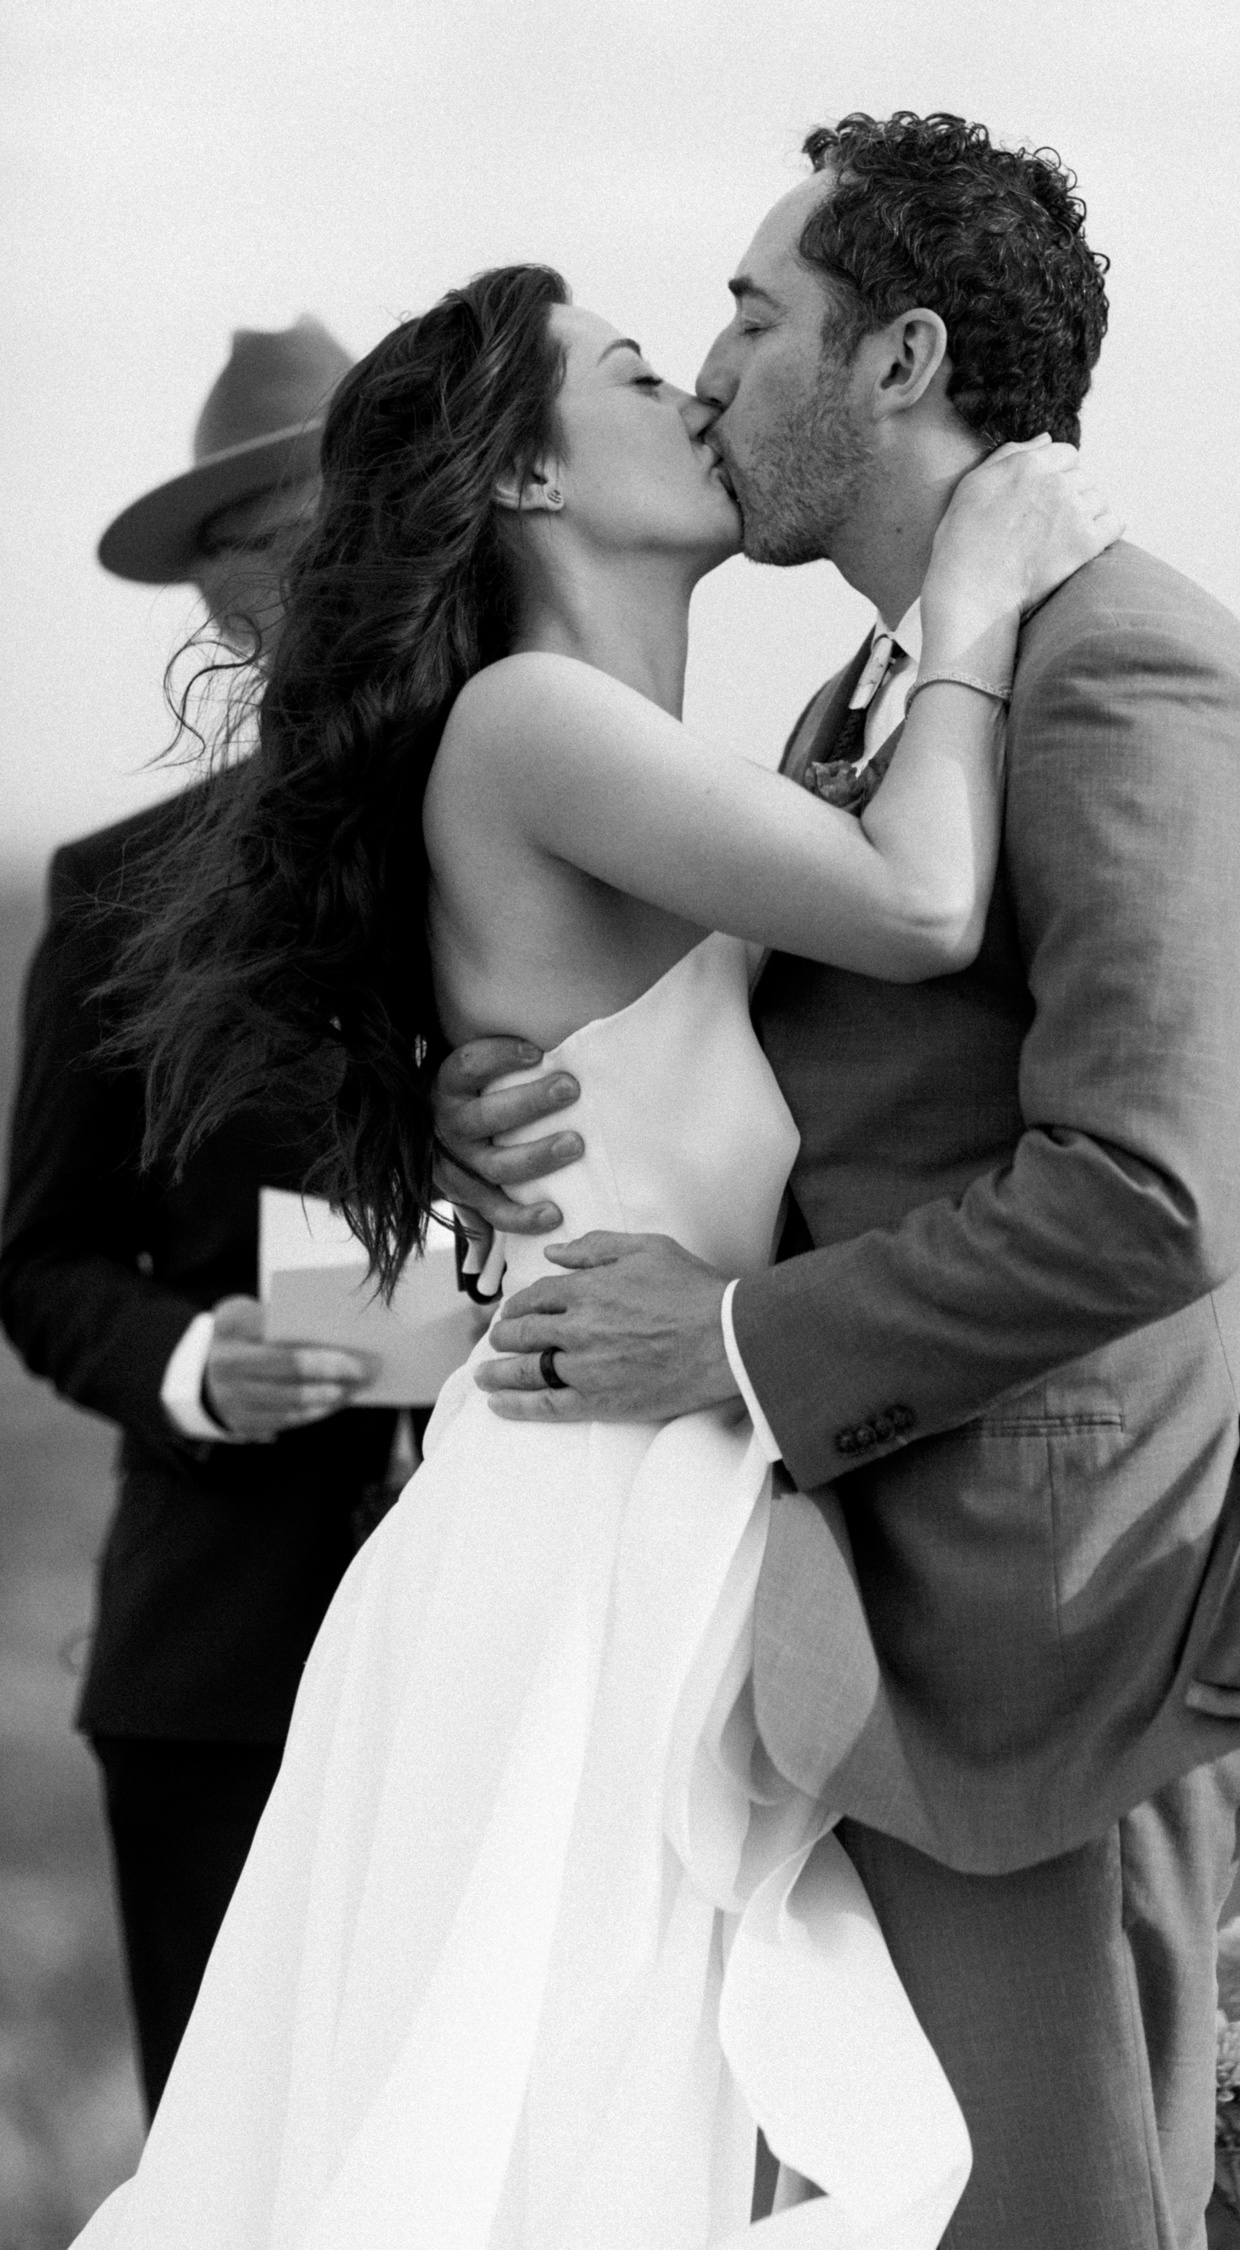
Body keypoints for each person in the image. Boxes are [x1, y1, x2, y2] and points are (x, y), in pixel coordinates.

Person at [64, 253, 1117, 2248]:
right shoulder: (537, 717)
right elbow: (918, 908)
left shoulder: (624, 751)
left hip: (645, 1495)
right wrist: (976, 596)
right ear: (530, 477)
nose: (699, 389)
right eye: (637, 369)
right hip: (580, 1527)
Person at [434, 116, 1240, 2250]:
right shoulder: (875, 697)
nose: (709, 368)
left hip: (1044, 1647)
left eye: (752, 315)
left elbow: (1148, 1196)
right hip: (841, 1633)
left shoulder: (1132, 671)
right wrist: (498, 1104)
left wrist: (732, 1343)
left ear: (901, 360)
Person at [0, 315, 419, 2119]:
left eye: (369, 517)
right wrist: (192, 1364)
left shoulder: (556, 824)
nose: (342, 567)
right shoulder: (115, 898)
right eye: (294, 538)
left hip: (517, 1634)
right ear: (222, 600)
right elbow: (39, 1259)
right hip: (219, 1665)